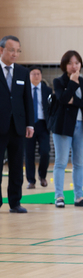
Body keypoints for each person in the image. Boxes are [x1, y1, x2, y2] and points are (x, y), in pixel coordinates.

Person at [52, 50, 83, 208]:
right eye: (70, 63)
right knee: (61, 162)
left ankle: (79, 197)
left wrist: (74, 100)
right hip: (63, 126)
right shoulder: (59, 81)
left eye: (76, 63)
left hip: (81, 126)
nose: (74, 66)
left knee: (78, 163)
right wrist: (72, 83)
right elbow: (63, 99)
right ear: (64, 66)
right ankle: (59, 197)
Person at [0, 35, 34, 213]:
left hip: (18, 127)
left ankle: (15, 202)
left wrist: (30, 124)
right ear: (1, 50)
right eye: (11, 50)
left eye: (17, 51)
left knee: (15, 166)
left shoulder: (22, 72)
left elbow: (28, 99)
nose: (15, 54)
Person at [25, 67, 52, 190]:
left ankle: (42, 176)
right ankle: (31, 180)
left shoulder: (48, 90)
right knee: (29, 153)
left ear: (41, 76)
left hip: (43, 124)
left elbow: (52, 107)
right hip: (28, 125)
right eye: (33, 74)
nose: (36, 76)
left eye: (38, 74)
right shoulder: (24, 90)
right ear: (29, 76)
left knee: (45, 152)